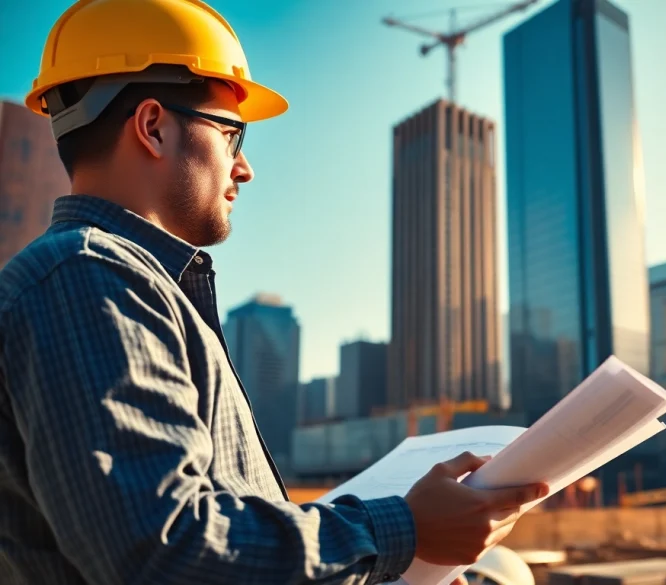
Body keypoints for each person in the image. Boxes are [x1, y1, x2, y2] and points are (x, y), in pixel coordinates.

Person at [0, 1, 548, 584]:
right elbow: (162, 549)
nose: (245, 168)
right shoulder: (87, 280)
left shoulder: (129, 287)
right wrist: (404, 529)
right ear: (153, 126)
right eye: (232, 135)